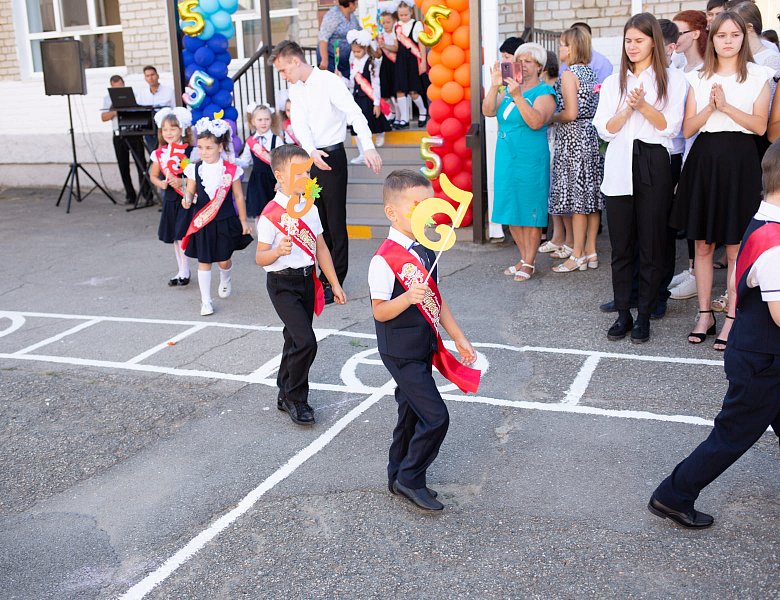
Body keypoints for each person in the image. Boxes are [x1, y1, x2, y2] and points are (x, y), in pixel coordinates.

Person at [648, 140, 780, 529]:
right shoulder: (774, 245)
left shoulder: (765, 223)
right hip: (763, 359)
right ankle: (673, 495)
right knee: (732, 436)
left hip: (762, 354)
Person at [369, 169, 477, 512]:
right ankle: (411, 478)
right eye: (417, 205)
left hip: (422, 345)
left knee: (410, 411)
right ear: (393, 212)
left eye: (428, 204)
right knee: (436, 416)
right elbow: (380, 313)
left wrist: (458, 338)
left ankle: (396, 472)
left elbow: (436, 299)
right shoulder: (383, 259)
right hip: (399, 350)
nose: (426, 212)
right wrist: (406, 298)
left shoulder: (428, 251)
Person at [673, 12, 773, 350]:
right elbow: (687, 129)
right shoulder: (697, 77)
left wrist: (726, 107)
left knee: (735, 246)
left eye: (734, 35)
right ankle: (704, 314)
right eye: (721, 35)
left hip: (742, 161)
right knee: (702, 244)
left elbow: (760, 127)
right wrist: (711, 108)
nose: (728, 41)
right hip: (706, 160)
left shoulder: (761, 75)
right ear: (710, 39)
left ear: (743, 38)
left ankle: (732, 317)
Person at [593, 13, 687, 344]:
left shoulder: (674, 80)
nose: (632, 46)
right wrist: (628, 110)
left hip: (653, 160)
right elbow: (603, 127)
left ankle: (645, 314)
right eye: (628, 40)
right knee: (621, 245)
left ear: (653, 43)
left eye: (639, 40)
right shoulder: (613, 81)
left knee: (651, 243)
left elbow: (670, 126)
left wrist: (644, 106)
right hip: (619, 161)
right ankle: (623, 312)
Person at [270, 40, 383, 302]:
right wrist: (309, 151)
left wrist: (367, 147)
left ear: (295, 61)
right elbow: (298, 122)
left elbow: (355, 114)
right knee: (315, 218)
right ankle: (320, 275)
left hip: (332, 157)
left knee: (334, 221)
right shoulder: (296, 88)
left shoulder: (330, 82)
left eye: (284, 70)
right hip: (310, 158)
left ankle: (335, 281)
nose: (284, 76)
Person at [256, 145, 346, 426]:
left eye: (307, 171)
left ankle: (284, 390)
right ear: (280, 176)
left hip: (307, 280)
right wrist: (277, 251)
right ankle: (296, 397)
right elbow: (260, 257)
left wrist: (334, 283)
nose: (306, 177)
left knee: (294, 338)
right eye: (299, 172)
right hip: (282, 283)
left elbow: (321, 248)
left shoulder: (309, 208)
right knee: (306, 341)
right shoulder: (270, 214)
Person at [483, 43, 557, 282]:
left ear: (539, 66)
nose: (522, 65)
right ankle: (524, 258)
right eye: (519, 60)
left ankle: (529, 261)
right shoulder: (508, 89)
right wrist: (495, 87)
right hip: (506, 156)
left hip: (530, 158)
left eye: (528, 61)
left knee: (530, 210)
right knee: (511, 209)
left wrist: (518, 96)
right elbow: (487, 111)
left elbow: (536, 122)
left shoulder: (544, 92)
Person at [182, 117, 253, 316]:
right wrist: (186, 198)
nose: (204, 152)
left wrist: (243, 221)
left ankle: (226, 277)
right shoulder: (194, 168)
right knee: (204, 260)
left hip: (225, 220)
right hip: (203, 221)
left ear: (220, 147)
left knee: (223, 260)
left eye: (209, 147)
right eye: (201, 147)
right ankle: (206, 301)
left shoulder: (231, 170)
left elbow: (238, 196)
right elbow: (190, 191)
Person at [549, 27, 604, 274]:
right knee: (591, 199)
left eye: (563, 44)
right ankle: (591, 250)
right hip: (591, 137)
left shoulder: (570, 75)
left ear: (573, 48)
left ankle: (578, 254)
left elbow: (570, 113)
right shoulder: (591, 73)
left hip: (574, 140)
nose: (560, 49)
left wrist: (553, 116)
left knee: (578, 201)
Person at [149, 107, 194, 287]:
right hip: (170, 198)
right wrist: (162, 184)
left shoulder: (190, 151)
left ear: (182, 129)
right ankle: (183, 271)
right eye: (165, 129)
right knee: (176, 237)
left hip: (186, 197)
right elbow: (152, 175)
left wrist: (181, 183)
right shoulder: (159, 153)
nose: (169, 133)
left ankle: (189, 269)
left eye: (173, 129)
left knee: (183, 235)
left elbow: (195, 175)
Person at [101, 75, 148, 205]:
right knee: (123, 166)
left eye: (120, 86)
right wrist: (116, 110)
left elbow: (139, 111)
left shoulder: (134, 95)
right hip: (118, 135)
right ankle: (130, 195)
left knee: (141, 164)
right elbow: (104, 117)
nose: (119, 89)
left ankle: (147, 195)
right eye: (115, 88)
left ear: (124, 84)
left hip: (133, 132)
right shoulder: (107, 99)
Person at [347, 29, 391, 163]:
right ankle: (362, 153)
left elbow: (376, 84)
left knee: (373, 119)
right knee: (357, 126)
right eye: (353, 52)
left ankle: (379, 133)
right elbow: (351, 83)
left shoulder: (372, 62)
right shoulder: (354, 63)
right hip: (357, 97)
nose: (356, 54)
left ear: (365, 48)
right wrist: (341, 78)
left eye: (358, 51)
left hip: (369, 98)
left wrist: (377, 103)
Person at [235, 103, 284, 220]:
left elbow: (282, 163)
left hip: (273, 181)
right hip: (257, 182)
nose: (264, 122)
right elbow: (245, 161)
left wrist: (280, 181)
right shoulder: (251, 141)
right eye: (260, 119)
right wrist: (232, 160)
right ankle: (262, 237)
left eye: (267, 119)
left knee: (277, 212)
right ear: (253, 121)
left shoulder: (276, 140)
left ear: (271, 120)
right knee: (260, 215)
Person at [393, 1, 429, 128]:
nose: (403, 17)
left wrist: (423, 61)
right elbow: (397, 46)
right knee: (400, 90)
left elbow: (421, 44)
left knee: (414, 90)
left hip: (413, 60)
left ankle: (423, 112)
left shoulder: (417, 24)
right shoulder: (396, 25)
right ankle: (403, 118)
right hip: (401, 61)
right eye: (400, 15)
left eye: (405, 14)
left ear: (411, 12)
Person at [318, 0, 360, 79]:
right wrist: (324, 60)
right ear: (350, 4)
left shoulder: (352, 16)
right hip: (331, 60)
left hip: (345, 60)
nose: (357, 5)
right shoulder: (333, 15)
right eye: (356, 3)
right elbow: (323, 38)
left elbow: (358, 31)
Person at [377, 6, 399, 123]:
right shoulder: (381, 35)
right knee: (385, 91)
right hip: (385, 65)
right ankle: (392, 113)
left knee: (396, 92)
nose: (386, 25)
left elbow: (396, 48)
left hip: (395, 65)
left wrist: (385, 45)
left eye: (388, 22)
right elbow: (379, 54)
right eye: (383, 22)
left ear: (393, 21)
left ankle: (399, 116)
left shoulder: (395, 34)